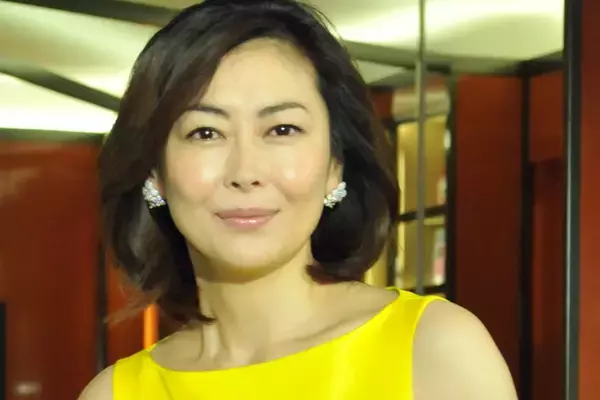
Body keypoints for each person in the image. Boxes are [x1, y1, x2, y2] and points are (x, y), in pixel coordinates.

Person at [80, 0, 517, 399]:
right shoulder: (115, 394)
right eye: (205, 133)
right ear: (154, 172)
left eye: (282, 130)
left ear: (335, 165)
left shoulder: (435, 351)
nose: (245, 172)